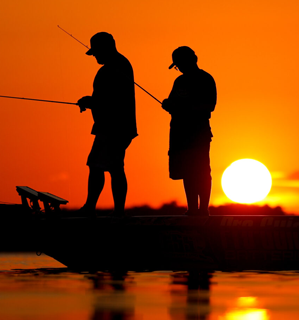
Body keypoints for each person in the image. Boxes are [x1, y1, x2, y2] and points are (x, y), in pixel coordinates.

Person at [77, 32, 137, 217]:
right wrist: (92, 101)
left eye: (96, 52)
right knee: (111, 166)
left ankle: (93, 207)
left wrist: (91, 101)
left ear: (107, 48)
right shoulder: (117, 65)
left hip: (114, 127)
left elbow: (113, 99)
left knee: (99, 165)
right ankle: (113, 209)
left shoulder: (116, 67)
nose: (95, 55)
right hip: (112, 126)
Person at [162, 46, 216, 216]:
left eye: (179, 64)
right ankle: (192, 208)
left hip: (198, 133)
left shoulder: (206, 79)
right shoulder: (179, 81)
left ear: (192, 60)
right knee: (186, 171)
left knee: (201, 170)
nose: (179, 68)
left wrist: (183, 108)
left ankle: (203, 209)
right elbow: (172, 101)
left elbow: (209, 106)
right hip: (179, 133)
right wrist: (168, 105)